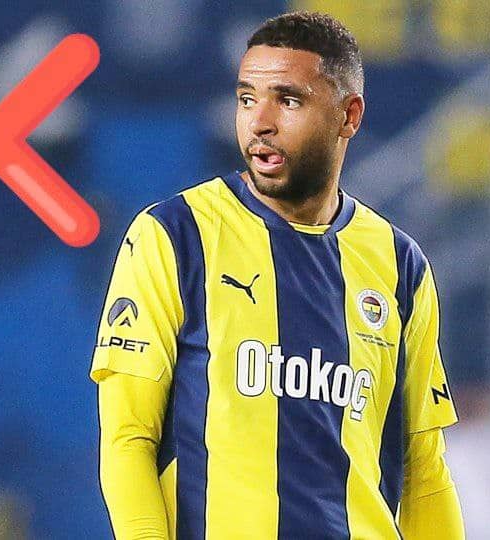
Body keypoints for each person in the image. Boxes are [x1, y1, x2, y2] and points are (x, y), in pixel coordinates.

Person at [90, 11, 463, 539]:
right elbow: (128, 441)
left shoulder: (400, 265)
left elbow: (425, 472)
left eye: (288, 101)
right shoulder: (175, 236)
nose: (259, 123)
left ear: (348, 115)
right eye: (247, 99)